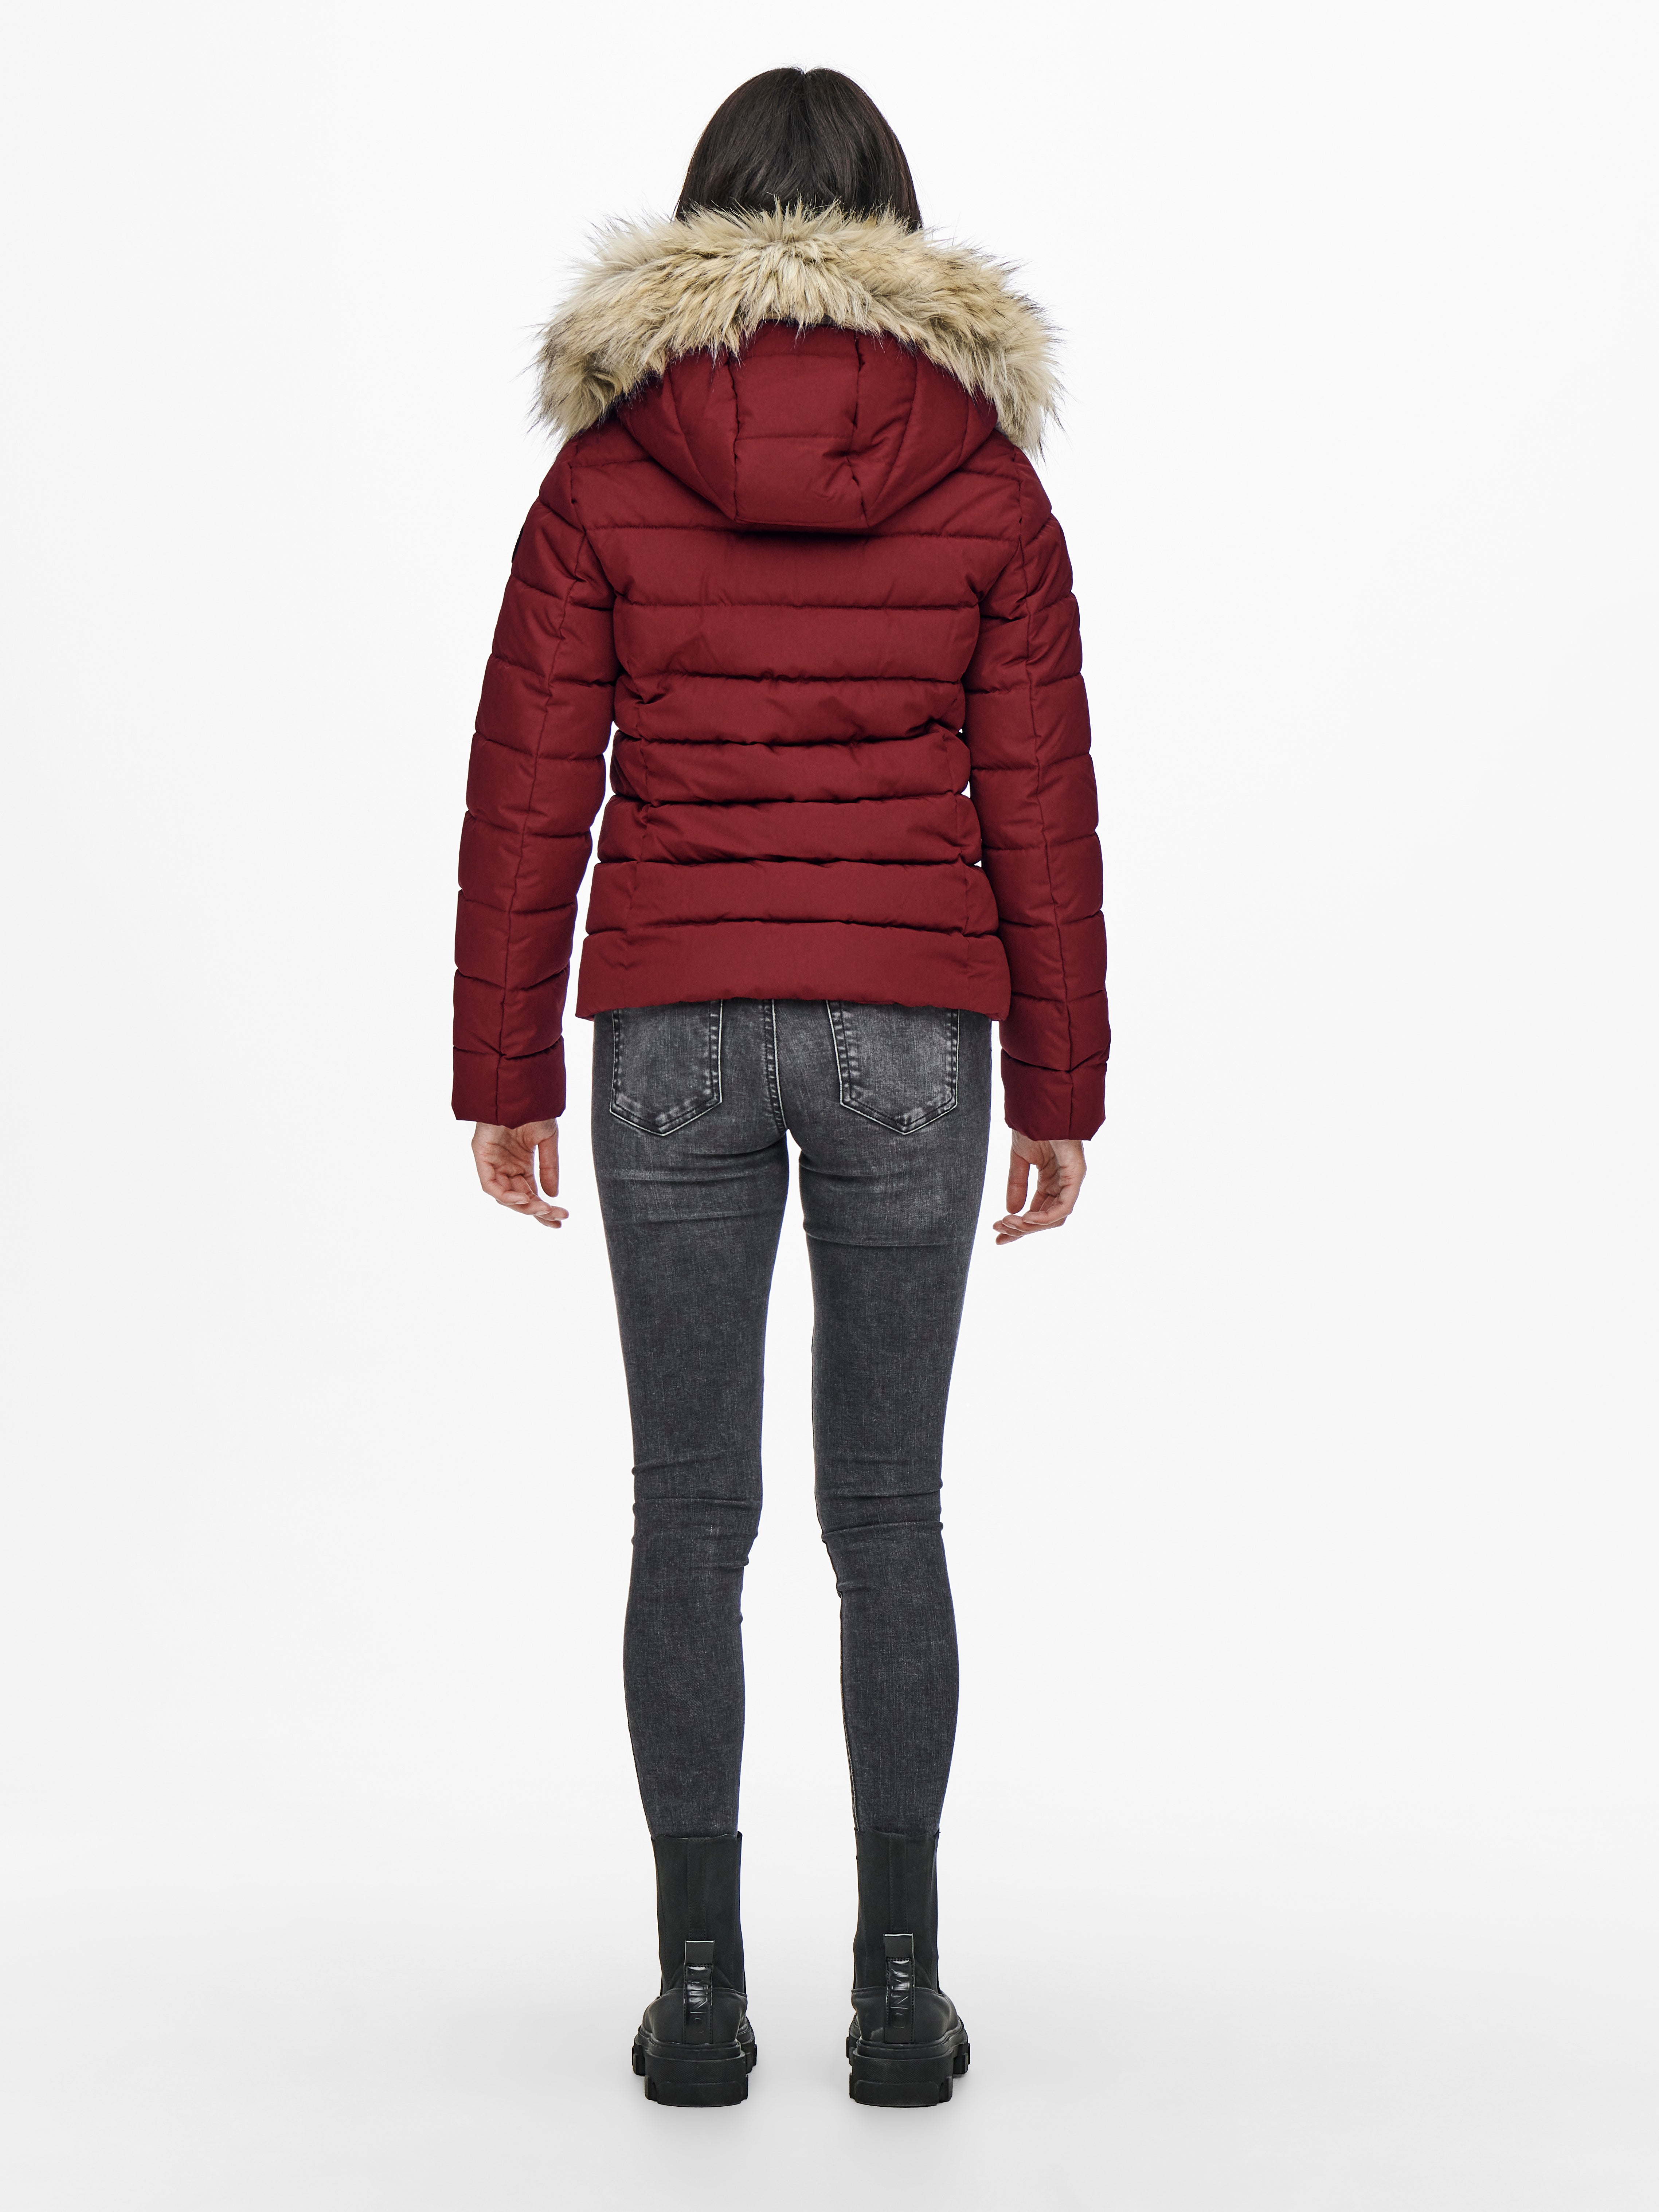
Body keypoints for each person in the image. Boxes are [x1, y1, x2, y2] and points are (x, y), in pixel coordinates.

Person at [452, 66, 1108, 2109]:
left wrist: (504, 1063)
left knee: (691, 1508)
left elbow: (530, 779)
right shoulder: (980, 471)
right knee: (888, 1508)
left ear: (699, 215)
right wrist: (1060, 1081)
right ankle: (899, 1994)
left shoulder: (609, 468)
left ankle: (699, 1995)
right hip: (913, 1029)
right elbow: (1044, 803)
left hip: (674, 1024)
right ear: (895, 224)